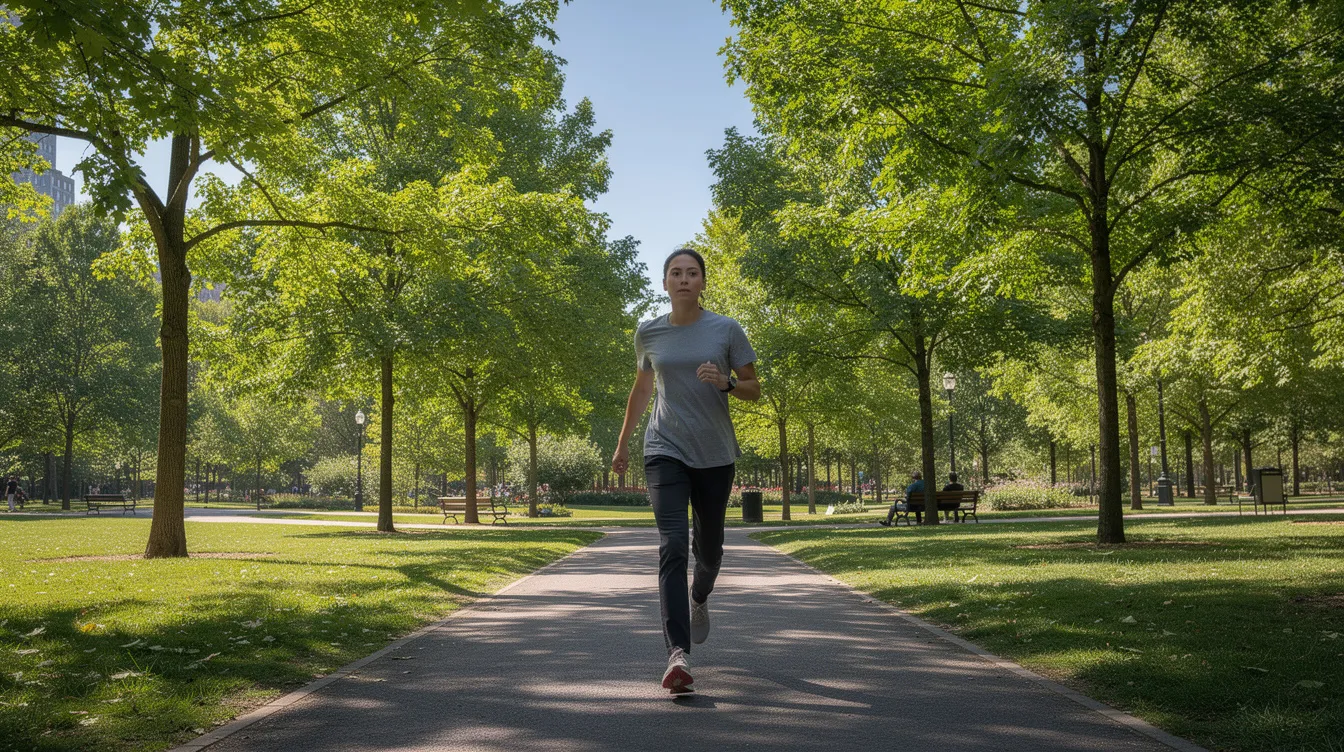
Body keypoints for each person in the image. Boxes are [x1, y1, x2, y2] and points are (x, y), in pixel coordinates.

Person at [612, 247, 761, 695]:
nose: (683, 280)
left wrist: (727, 382)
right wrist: (622, 445)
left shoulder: (726, 329)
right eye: (675, 273)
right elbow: (641, 389)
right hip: (664, 448)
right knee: (673, 543)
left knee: (709, 550)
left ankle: (700, 597)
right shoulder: (649, 333)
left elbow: (755, 389)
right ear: (664, 283)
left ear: (702, 282)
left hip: (715, 454)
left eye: (691, 273)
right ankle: (676, 654)